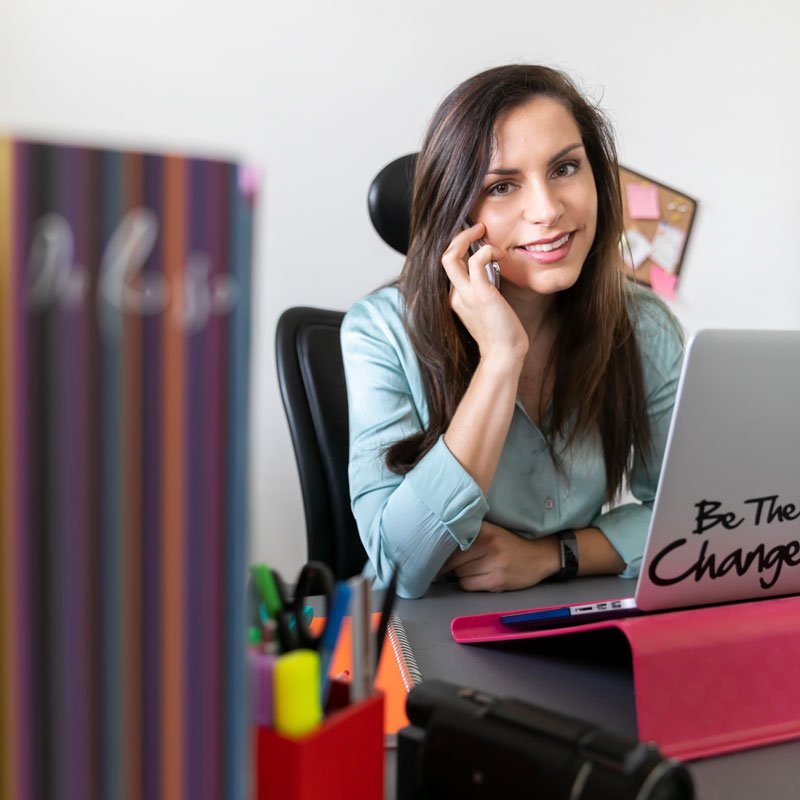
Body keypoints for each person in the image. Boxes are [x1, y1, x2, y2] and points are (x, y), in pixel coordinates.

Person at [341, 65, 684, 599]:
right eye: (501, 186)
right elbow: (400, 568)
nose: (547, 210)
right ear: (457, 212)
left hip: (565, 609)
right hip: (416, 628)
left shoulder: (643, 324)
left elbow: (692, 518)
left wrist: (553, 557)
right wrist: (501, 358)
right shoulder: (380, 330)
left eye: (565, 168)